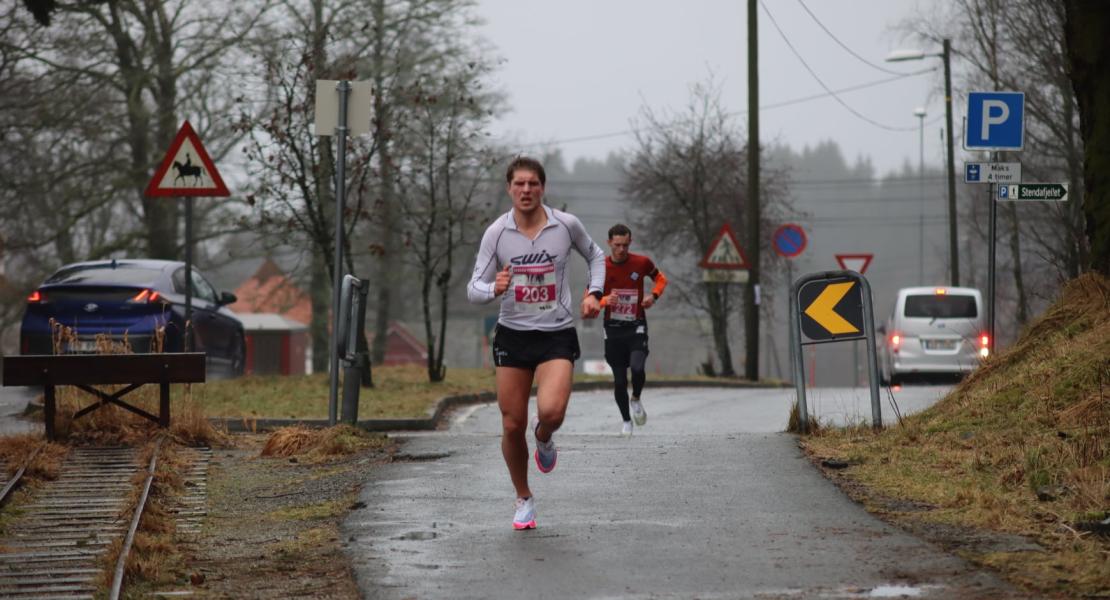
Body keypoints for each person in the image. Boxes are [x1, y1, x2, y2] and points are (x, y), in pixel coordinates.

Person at [467, 156, 605, 530]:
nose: (526, 190)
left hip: (556, 332)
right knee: (512, 425)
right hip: (513, 334)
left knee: (551, 413)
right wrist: (491, 288)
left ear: (542, 188)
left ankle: (544, 437)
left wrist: (594, 293)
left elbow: (596, 255)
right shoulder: (497, 233)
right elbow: (473, 288)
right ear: (509, 189)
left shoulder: (565, 225)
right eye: (519, 184)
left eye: (533, 184)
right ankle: (523, 497)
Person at [596, 224, 667, 436]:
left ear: (630, 242)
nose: (621, 250)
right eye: (617, 245)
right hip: (613, 328)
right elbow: (589, 299)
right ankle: (626, 420)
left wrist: (653, 296)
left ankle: (635, 397)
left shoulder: (642, 262)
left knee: (637, 368)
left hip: (636, 324)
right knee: (619, 381)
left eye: (625, 245)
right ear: (609, 243)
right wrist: (605, 300)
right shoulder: (600, 267)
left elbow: (661, 279)